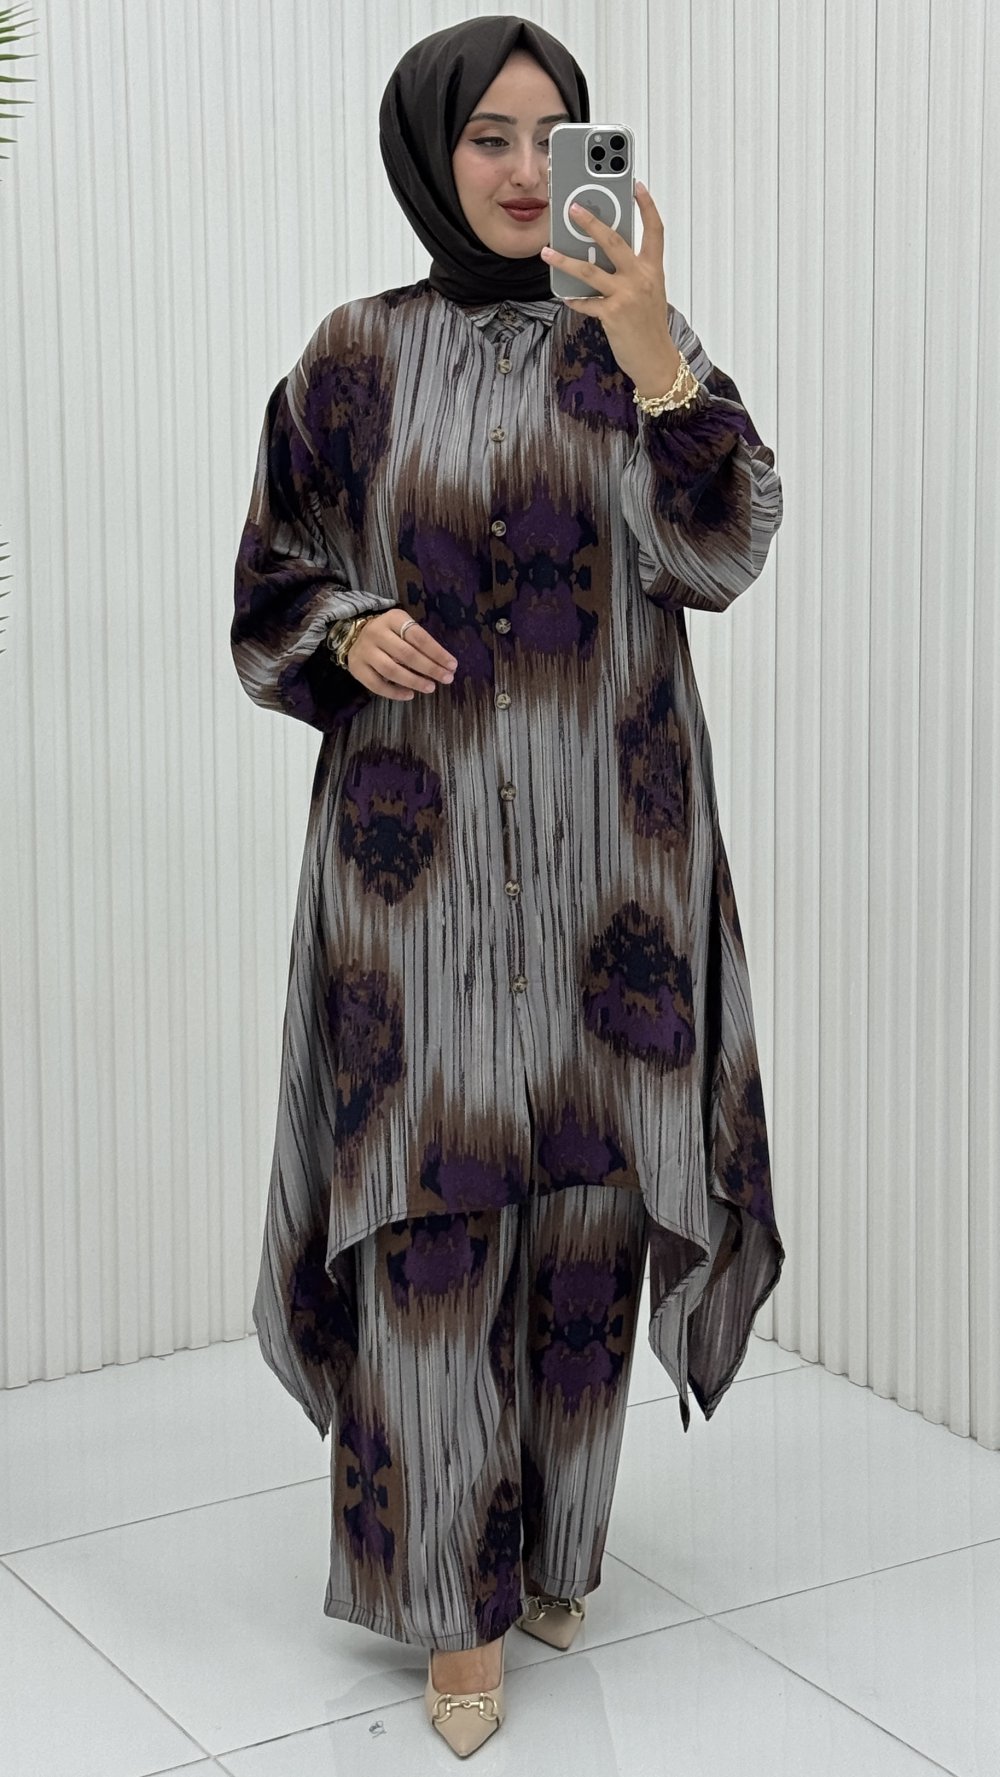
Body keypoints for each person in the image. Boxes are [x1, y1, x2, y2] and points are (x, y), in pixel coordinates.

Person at [231, 13, 785, 1760]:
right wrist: (344, 628)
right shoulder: (352, 355)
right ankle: (449, 1605)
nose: (529, 169)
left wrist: (658, 353)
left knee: (590, 1213)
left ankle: (552, 1545)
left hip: (618, 861)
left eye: (557, 134)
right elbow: (270, 580)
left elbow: (726, 545)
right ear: (429, 151)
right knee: (430, 1215)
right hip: (418, 877)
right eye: (490, 135)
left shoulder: (641, 342)